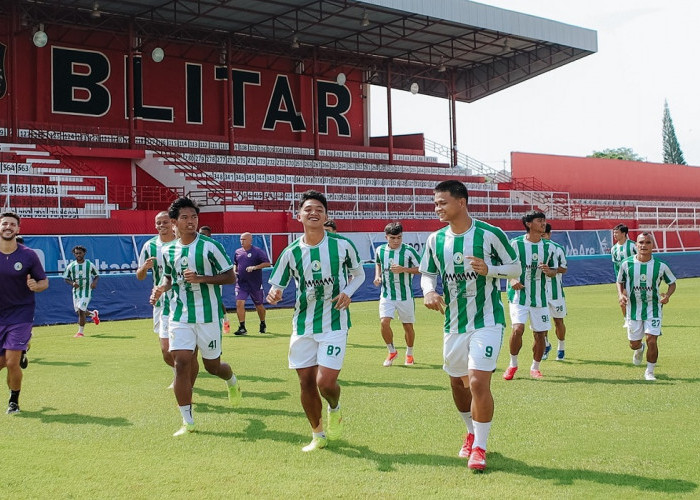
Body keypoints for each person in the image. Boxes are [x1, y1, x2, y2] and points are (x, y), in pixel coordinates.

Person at [419, 180, 520, 472]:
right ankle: (470, 430)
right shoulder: (435, 240)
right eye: (435, 203)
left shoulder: (490, 234)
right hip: (453, 323)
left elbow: (515, 268)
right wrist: (428, 291)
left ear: (461, 202)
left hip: (487, 320)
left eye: (442, 202)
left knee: (477, 381)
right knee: (457, 382)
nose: (437, 208)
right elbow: (427, 273)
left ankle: (480, 448)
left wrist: (492, 270)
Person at [267, 190, 365, 452]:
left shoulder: (342, 245)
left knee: (326, 383)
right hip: (303, 325)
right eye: (308, 209)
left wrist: (348, 292)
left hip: (334, 323)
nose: (313, 213)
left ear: (326, 216)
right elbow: (276, 286)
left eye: (319, 209)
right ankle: (317, 434)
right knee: (306, 382)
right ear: (299, 215)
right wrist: (275, 293)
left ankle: (335, 406)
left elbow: (359, 274)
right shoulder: (290, 252)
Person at [150, 197, 242, 437]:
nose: (190, 222)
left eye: (193, 217)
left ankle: (231, 380)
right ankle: (187, 421)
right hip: (180, 315)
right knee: (181, 363)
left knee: (213, 367)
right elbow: (169, 278)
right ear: (174, 223)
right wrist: (161, 288)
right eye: (184, 217)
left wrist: (201, 278)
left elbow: (230, 277)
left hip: (208, 316)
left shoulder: (210, 246)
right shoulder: (167, 250)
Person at [137, 211, 199, 389]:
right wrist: (144, 267)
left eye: (165, 222)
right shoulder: (149, 246)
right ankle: (181, 373)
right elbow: (139, 276)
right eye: (158, 223)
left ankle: (183, 379)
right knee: (166, 351)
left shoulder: (182, 244)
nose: (161, 225)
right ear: (155, 225)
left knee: (185, 350)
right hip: (161, 302)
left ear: (172, 223)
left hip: (182, 301)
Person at [0, 212, 49, 414]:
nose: (8, 227)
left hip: (21, 313)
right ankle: (21, 351)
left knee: (11, 362)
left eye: (12, 224)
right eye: (4, 224)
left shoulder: (28, 255)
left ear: (18, 229)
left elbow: (44, 282)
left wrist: (35, 286)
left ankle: (14, 401)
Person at [503, 211, 557, 380]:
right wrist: (512, 279)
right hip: (519, 296)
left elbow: (554, 270)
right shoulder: (515, 244)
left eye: (544, 221)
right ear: (528, 224)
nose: (543, 223)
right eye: (539, 221)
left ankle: (535, 367)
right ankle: (513, 364)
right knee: (518, 329)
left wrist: (549, 271)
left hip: (540, 297)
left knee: (540, 334)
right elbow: (504, 266)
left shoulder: (549, 247)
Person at [616, 232, 676, 381]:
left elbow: (672, 283)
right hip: (633, 308)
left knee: (652, 340)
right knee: (634, 344)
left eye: (647, 243)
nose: (644, 245)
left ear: (652, 246)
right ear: (636, 245)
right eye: (641, 242)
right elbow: (619, 281)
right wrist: (620, 295)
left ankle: (649, 371)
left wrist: (667, 296)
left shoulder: (660, 266)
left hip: (653, 307)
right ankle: (639, 348)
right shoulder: (626, 264)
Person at [373, 222, 420, 366]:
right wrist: (377, 276)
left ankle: (409, 354)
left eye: (399, 237)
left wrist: (404, 269)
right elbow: (378, 263)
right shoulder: (380, 250)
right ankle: (392, 351)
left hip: (405, 295)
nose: (396, 241)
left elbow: (421, 268)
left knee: (407, 326)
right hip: (386, 294)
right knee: (384, 322)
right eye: (393, 238)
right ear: (386, 237)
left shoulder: (409, 251)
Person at [233, 232, 272, 335]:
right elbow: (235, 263)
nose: (242, 241)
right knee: (239, 303)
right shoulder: (238, 252)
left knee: (258, 305)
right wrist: (234, 270)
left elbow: (267, 263)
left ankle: (262, 323)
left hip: (255, 283)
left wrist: (255, 267)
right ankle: (242, 327)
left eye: (244, 239)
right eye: (241, 239)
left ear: (250, 240)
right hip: (241, 283)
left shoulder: (257, 251)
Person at [541, 224, 568, 361]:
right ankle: (545, 345)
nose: (542, 237)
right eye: (540, 234)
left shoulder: (557, 248)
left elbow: (564, 268)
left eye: (544, 234)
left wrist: (552, 269)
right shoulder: (533, 247)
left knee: (558, 321)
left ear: (549, 234)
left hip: (555, 293)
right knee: (541, 322)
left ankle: (561, 347)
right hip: (539, 293)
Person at [198, 226, 230, 333]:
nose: (201, 236)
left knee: (217, 301)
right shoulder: (195, 246)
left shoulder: (213, 246)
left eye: (204, 234)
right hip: (199, 280)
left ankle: (225, 322)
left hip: (214, 280)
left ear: (209, 235)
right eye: (200, 233)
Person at [63, 245, 100, 337]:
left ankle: (80, 332)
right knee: (79, 312)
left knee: (81, 310)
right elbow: (65, 278)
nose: (78, 255)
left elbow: (97, 275)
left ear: (84, 253)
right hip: (76, 292)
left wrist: (94, 282)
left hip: (87, 291)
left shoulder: (89, 265)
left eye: (80, 253)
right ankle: (93, 314)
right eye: (76, 253)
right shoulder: (71, 266)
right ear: (74, 254)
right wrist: (72, 283)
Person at [611, 223, 637, 327]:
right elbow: (616, 266)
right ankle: (627, 319)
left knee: (637, 299)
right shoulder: (614, 249)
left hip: (635, 278)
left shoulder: (633, 245)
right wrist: (618, 279)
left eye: (617, 232)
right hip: (622, 280)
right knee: (622, 300)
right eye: (614, 232)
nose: (614, 234)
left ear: (624, 234)